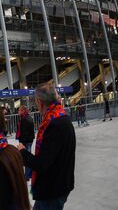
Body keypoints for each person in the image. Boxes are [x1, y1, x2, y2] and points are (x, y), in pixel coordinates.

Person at [17, 82, 76, 210]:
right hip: (59, 185)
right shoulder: (61, 117)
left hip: (52, 189)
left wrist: (22, 152)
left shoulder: (54, 124)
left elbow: (42, 164)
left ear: (39, 101)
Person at [16, 105, 35, 182]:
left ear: (23, 111)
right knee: (25, 157)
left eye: (19, 110)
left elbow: (25, 133)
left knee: (26, 157)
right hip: (27, 141)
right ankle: (27, 174)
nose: (18, 112)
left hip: (26, 141)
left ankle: (27, 175)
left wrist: (22, 143)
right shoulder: (26, 118)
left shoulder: (25, 120)